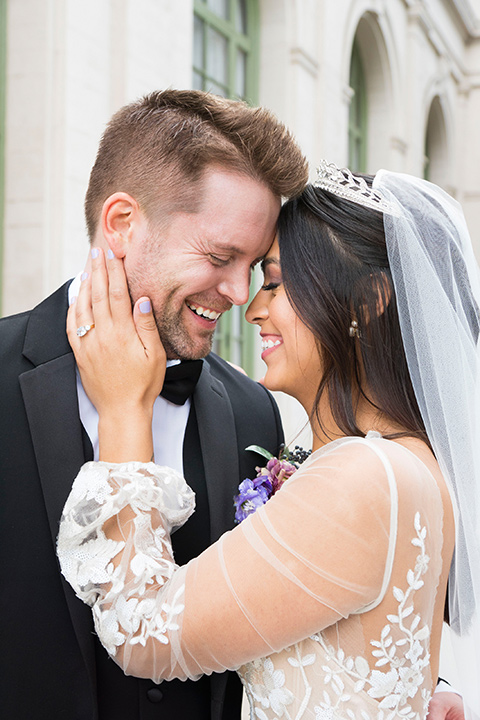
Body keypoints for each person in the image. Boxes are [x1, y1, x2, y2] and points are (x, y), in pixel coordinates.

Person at [57, 163, 480, 719]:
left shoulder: (364, 476)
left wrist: (123, 410)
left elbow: (144, 632)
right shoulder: (414, 460)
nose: (252, 307)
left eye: (275, 282)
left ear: (368, 299)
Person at [0, 90, 309, 720]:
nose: (238, 294)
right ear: (121, 224)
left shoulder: (254, 411)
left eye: (253, 266)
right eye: (221, 257)